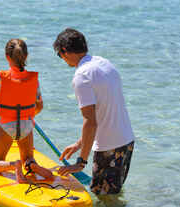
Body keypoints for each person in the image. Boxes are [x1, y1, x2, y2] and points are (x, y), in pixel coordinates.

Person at [53, 28, 135, 196]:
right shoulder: (104, 63)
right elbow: (105, 111)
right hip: (126, 141)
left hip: (108, 148)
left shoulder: (81, 76)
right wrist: (79, 144)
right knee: (113, 197)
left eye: (59, 55)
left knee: (105, 202)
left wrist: (80, 162)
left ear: (64, 52)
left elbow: (90, 121)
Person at [0, 39, 53, 183]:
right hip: (26, 125)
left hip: (7, 126)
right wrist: (27, 116)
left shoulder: (0, 76)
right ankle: (31, 165)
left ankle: (14, 165)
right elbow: (39, 105)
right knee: (28, 158)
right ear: (26, 56)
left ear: (7, 57)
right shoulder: (33, 78)